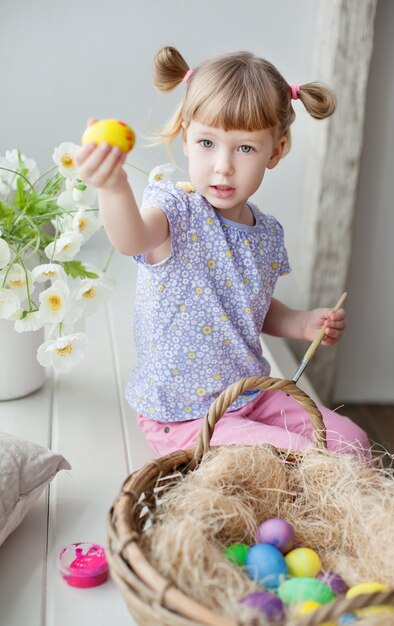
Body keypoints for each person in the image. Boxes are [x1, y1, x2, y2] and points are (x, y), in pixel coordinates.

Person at [75, 46, 370, 459]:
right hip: (185, 416)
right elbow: (132, 239)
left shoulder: (266, 234)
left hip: (249, 396)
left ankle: (339, 517)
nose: (223, 165)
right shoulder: (176, 211)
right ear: (186, 139)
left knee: (350, 442)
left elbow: (252, 306)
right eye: (208, 142)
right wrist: (112, 187)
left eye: (245, 148)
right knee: (294, 458)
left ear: (276, 150)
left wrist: (302, 322)